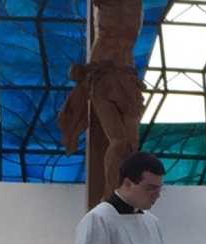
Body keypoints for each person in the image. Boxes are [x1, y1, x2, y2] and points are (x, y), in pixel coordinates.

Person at [57, 0, 144, 198]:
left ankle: (125, 196)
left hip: (127, 75)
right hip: (101, 75)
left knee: (132, 146)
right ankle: (109, 197)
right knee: (118, 142)